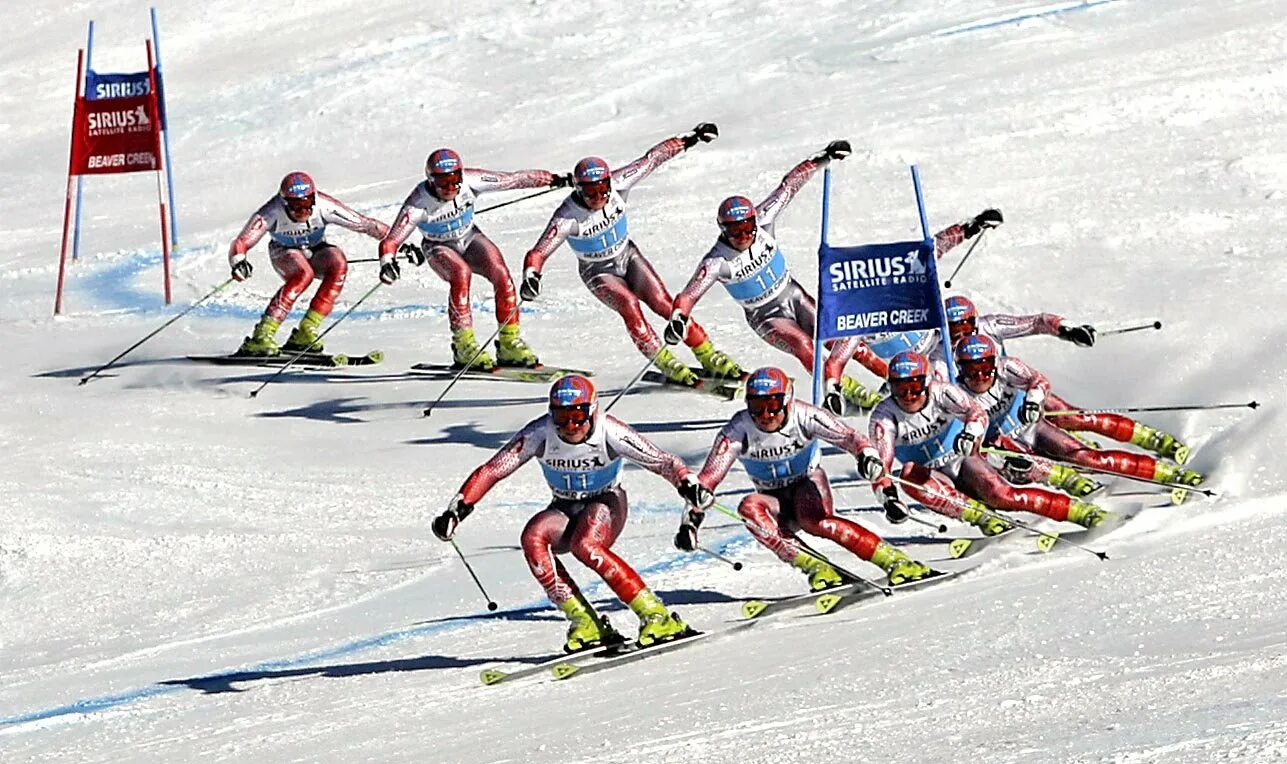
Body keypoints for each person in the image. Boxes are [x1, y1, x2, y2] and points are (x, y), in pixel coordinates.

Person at [433, 375, 711, 652]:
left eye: (578, 416)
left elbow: (662, 461)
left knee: (585, 545)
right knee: (532, 538)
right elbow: (493, 470)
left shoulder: (610, 431)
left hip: (606, 503)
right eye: (561, 417)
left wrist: (686, 483)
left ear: (592, 410)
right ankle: (586, 623)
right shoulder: (539, 433)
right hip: (564, 506)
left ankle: (657, 616)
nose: (569, 426)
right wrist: (457, 510)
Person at [520, 124, 744, 387]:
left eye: (603, 189)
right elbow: (539, 252)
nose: (599, 197)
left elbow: (652, 159)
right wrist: (532, 275)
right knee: (629, 305)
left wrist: (690, 139)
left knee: (665, 304)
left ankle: (708, 354)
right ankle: (665, 361)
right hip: (598, 271)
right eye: (590, 193)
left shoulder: (619, 183)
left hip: (627, 255)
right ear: (578, 190)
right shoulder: (567, 216)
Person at [678, 367, 933, 587]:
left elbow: (849, 437)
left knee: (814, 521)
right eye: (757, 407)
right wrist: (690, 525)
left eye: (773, 406)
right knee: (749, 507)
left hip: (807, 484)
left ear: (787, 401)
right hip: (775, 500)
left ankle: (895, 561)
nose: (765, 415)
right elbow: (706, 482)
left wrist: (865, 455)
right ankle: (817, 568)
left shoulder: (805, 415)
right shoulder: (738, 430)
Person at [868, 351, 1110, 535]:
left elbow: (976, 414)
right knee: (910, 477)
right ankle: (982, 518)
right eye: (900, 389)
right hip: (932, 473)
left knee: (1003, 495)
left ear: (927, 383)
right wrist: (888, 499)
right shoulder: (884, 417)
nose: (908, 396)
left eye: (915, 388)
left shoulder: (943, 393)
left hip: (962, 459)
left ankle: (1082, 512)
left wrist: (970, 434)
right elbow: (881, 467)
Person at [942, 295, 1192, 463]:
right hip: (989, 414)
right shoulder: (938, 351)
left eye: (965, 326)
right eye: (954, 330)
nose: (961, 335)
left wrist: (1067, 329)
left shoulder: (991, 326)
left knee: (1072, 417)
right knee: (1037, 455)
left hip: (1015, 392)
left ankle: (1154, 440)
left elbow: (1037, 322)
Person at [379, 149, 566, 369]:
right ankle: (463, 346)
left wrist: (552, 179)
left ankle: (509, 343)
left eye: (455, 180)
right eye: (443, 182)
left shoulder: (471, 180)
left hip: (469, 237)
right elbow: (391, 240)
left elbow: (511, 180)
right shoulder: (418, 202)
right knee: (461, 274)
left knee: (501, 273)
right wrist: (387, 262)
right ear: (430, 181)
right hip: (437, 246)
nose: (450, 188)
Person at [951, 334, 1203, 495]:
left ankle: (1168, 470)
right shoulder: (956, 395)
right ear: (960, 370)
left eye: (985, 369)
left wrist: (1032, 401)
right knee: (1036, 469)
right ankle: (1076, 495)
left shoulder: (1008, 368)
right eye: (972, 371)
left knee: (1088, 457)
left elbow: (1038, 381)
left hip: (1032, 429)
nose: (980, 377)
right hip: (1005, 445)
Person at [228, 172, 389, 355]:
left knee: (338, 263)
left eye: (307, 204)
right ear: (284, 203)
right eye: (297, 206)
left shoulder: (325, 206)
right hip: (283, 251)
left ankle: (306, 331)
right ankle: (262, 335)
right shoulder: (271, 212)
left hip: (315, 249)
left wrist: (398, 245)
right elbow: (242, 241)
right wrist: (238, 261)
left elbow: (365, 224)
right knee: (304, 274)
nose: (304, 211)